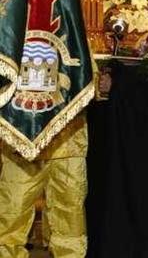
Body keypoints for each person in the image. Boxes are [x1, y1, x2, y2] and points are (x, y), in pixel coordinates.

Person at [0, 70, 111, 257]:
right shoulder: (10, 39)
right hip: (22, 139)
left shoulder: (76, 38)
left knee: (70, 219)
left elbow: (83, 67)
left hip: (69, 141)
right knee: (11, 216)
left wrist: (100, 84)